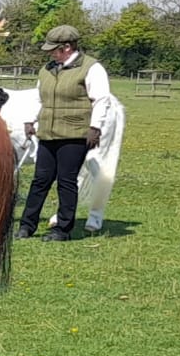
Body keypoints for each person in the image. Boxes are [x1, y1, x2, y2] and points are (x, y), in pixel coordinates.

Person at [16, 23, 116, 241]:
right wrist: (30, 120)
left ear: (68, 47)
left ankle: (62, 229)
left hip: (74, 133)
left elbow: (101, 99)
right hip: (48, 133)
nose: (51, 53)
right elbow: (39, 98)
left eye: (54, 49)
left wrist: (95, 127)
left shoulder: (92, 68)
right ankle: (27, 226)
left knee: (66, 181)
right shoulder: (47, 69)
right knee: (40, 180)